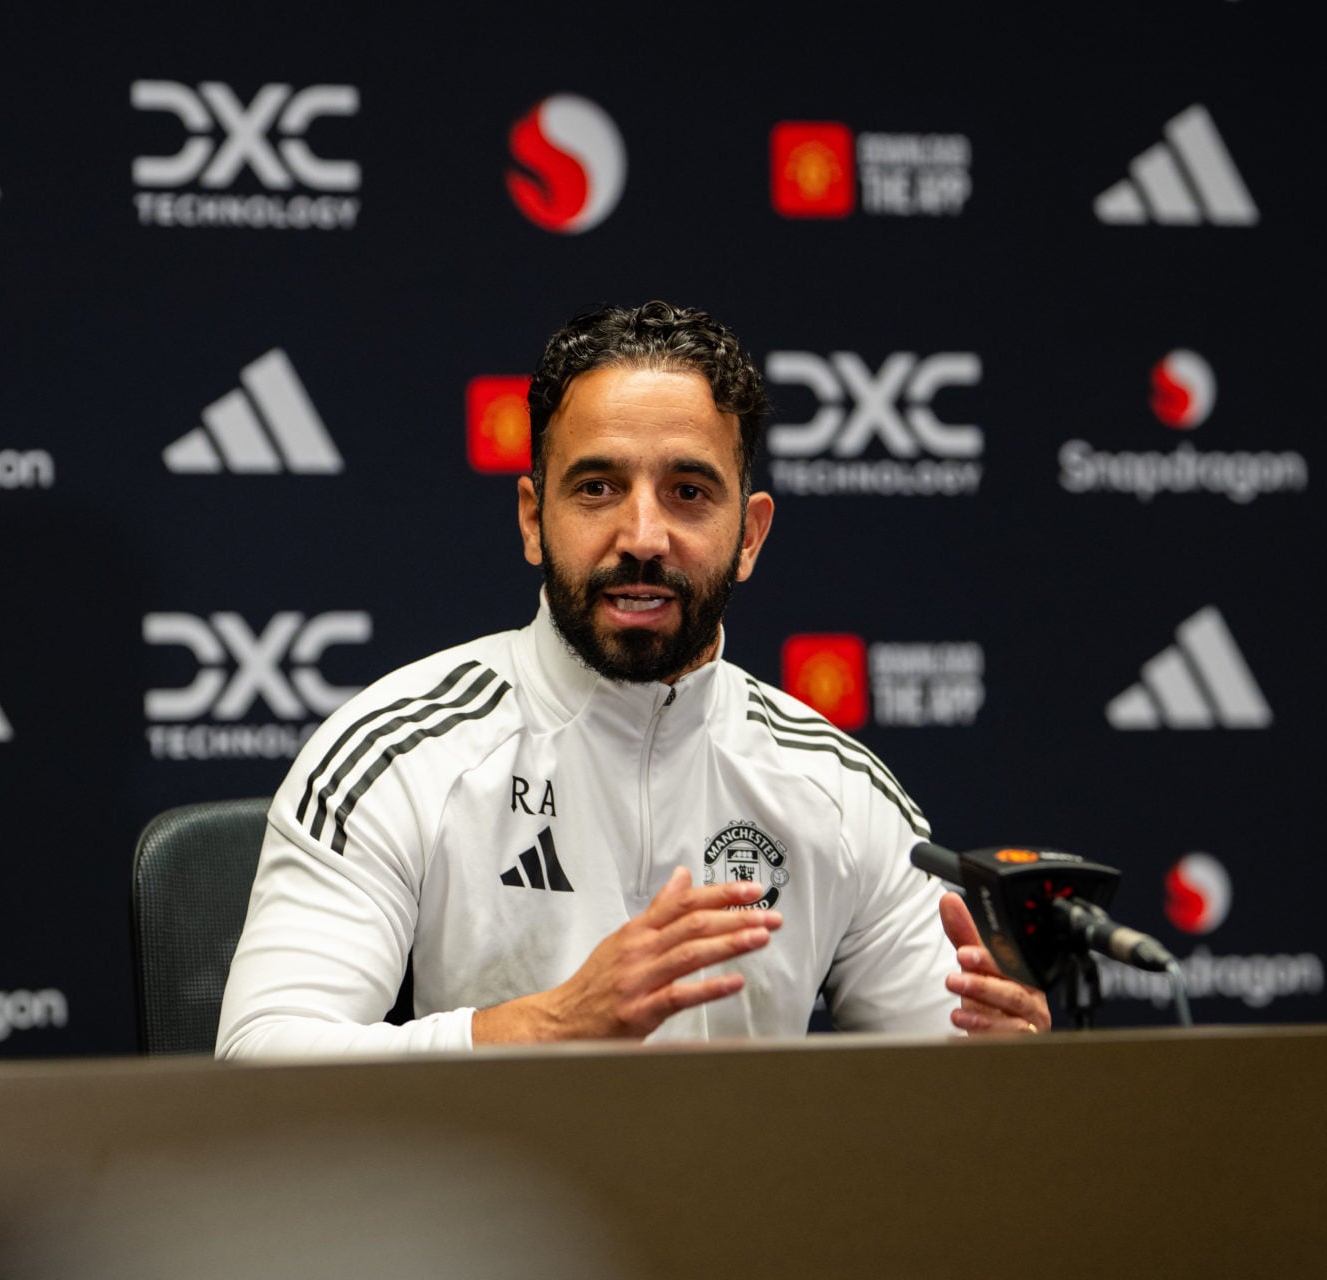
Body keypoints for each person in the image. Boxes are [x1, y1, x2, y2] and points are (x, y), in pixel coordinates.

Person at [216, 300, 1050, 1057]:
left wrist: (1001, 1068)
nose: (643, 536)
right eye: (598, 488)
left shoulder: (837, 791)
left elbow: (952, 1087)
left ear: (749, 536)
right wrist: (550, 1026)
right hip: (484, 1183)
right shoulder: (401, 753)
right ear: (534, 519)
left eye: (688, 491)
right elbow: (258, 1060)